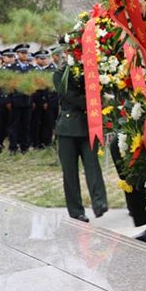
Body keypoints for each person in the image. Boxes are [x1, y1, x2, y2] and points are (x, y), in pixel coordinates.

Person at [52, 64, 108, 222]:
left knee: (92, 165)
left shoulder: (91, 70)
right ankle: (76, 211)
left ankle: (99, 203)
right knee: (70, 172)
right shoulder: (60, 74)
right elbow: (71, 96)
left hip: (88, 126)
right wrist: (94, 101)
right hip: (67, 129)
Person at [7, 44, 32, 154]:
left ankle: (24, 147)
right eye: (22, 53)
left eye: (26, 53)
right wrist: (8, 100)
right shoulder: (11, 68)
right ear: (17, 54)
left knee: (26, 125)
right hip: (15, 101)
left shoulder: (31, 68)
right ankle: (13, 147)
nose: (25, 55)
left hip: (28, 101)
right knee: (14, 125)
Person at [30, 49, 56, 149]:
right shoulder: (33, 71)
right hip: (36, 100)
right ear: (36, 59)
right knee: (36, 123)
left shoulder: (48, 70)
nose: (44, 60)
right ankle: (35, 142)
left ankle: (46, 142)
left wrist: (46, 100)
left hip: (47, 100)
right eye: (41, 58)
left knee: (47, 123)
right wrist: (32, 101)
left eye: (45, 58)